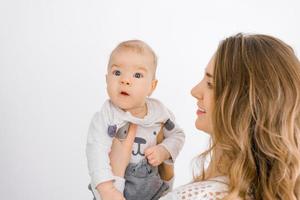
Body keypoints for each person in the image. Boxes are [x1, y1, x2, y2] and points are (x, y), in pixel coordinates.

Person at [108, 33, 300, 200]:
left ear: (242, 103)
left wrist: (114, 177)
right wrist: (165, 179)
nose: (194, 91)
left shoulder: (199, 196)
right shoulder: (256, 190)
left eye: (210, 84)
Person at [86, 40, 185, 200]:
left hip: (154, 190)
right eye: (117, 73)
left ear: (152, 87)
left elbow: (178, 135)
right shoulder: (106, 116)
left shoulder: (160, 113)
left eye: (137, 75)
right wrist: (106, 189)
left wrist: (164, 150)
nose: (125, 80)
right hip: (115, 189)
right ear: (106, 80)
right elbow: (96, 152)